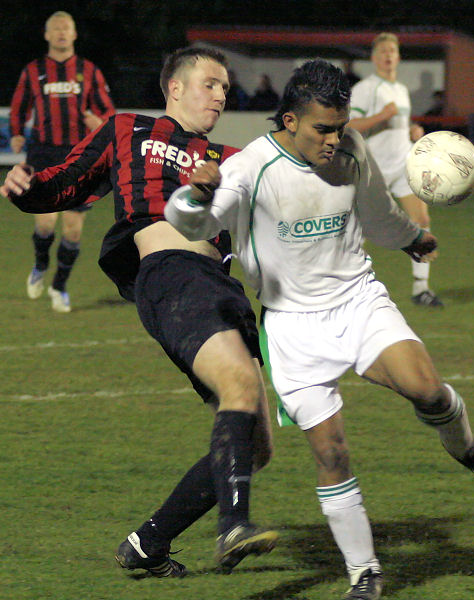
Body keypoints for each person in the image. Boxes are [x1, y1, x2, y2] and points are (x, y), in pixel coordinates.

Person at [164, 59, 474, 600]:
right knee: (331, 454)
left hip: (357, 301)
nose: (333, 139)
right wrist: (198, 193)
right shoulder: (248, 168)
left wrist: (410, 238)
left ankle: (469, 449)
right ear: (288, 120)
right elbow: (190, 223)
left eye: (339, 126)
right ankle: (364, 572)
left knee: (426, 387)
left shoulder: (352, 147)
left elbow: (376, 212)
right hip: (291, 329)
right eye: (321, 129)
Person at [1, 47, 278, 577]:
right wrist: (28, 189)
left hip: (224, 288)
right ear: (174, 87)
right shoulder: (129, 128)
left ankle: (148, 543)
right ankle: (234, 526)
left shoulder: (233, 157)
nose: (221, 94)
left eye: (225, 87)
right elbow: (67, 180)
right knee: (240, 390)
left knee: (256, 445)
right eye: (209, 83)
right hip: (171, 275)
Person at [9, 11, 115, 312]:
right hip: (42, 154)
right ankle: (41, 264)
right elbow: (18, 107)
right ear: (46, 34)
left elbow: (108, 111)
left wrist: (100, 121)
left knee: (73, 231)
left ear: (74, 34)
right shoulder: (33, 70)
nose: (60, 33)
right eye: (55, 28)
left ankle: (59, 286)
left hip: (79, 156)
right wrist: (16, 133)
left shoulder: (89, 71)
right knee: (44, 224)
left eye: (66, 28)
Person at [347, 33, 443, 307]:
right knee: (357, 231)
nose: (389, 55)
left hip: (402, 165)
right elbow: (350, 127)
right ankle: (342, 286)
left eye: (393, 51)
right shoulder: (367, 88)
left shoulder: (400, 89)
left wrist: (412, 131)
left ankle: (421, 289)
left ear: (398, 57)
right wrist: (382, 117)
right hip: (373, 168)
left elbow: (399, 124)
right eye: (383, 51)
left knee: (421, 220)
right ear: (375, 58)